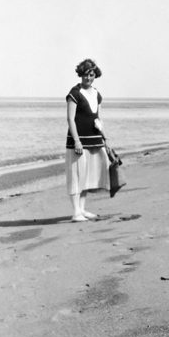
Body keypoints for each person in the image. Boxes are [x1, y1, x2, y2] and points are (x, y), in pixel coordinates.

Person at [65, 58, 110, 222]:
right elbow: (70, 119)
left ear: (95, 75)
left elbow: (98, 117)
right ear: (80, 75)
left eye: (91, 74)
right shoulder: (74, 94)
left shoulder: (97, 94)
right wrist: (77, 141)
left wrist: (104, 136)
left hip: (94, 141)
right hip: (79, 142)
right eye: (85, 74)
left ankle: (82, 210)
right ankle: (75, 212)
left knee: (87, 178)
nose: (88, 78)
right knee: (76, 177)